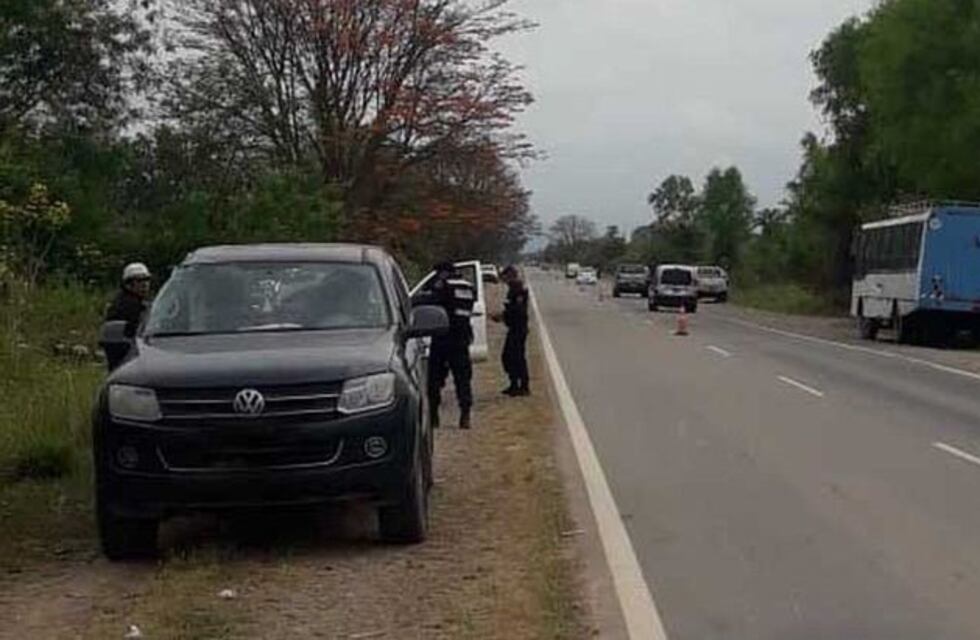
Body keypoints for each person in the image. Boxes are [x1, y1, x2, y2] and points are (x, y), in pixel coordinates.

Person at [413, 261, 476, 430]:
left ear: (443, 273)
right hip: (462, 339)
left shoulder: (444, 286)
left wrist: (409, 301)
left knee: (434, 380)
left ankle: (433, 417)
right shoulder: (469, 287)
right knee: (463, 380)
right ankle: (465, 415)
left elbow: (429, 300)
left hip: (443, 337)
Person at [104, 262, 152, 370]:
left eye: (147, 279)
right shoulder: (127, 305)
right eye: (139, 281)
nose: (145, 284)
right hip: (128, 357)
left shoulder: (138, 302)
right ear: (128, 284)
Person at [494, 265, 530, 396]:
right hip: (514, 328)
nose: (503, 280)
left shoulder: (518, 289)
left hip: (518, 328)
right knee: (510, 357)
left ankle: (523, 386)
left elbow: (518, 310)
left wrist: (503, 316)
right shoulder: (512, 289)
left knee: (516, 358)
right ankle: (514, 384)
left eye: (505, 276)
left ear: (510, 275)